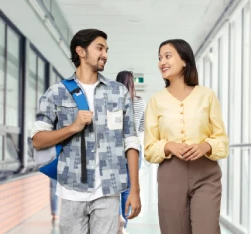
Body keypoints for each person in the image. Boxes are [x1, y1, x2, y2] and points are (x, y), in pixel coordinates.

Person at [31, 29, 141, 234]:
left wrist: (134, 189)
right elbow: (37, 140)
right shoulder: (57, 92)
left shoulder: (118, 92)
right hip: (71, 191)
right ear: (80, 51)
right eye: (100, 48)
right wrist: (73, 127)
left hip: (109, 191)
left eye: (107, 50)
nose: (105, 54)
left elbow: (131, 141)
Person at [144, 39, 229, 234]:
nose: (161, 62)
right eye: (159, 58)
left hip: (206, 174)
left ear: (184, 60)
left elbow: (222, 140)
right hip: (170, 176)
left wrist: (205, 146)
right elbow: (149, 149)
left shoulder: (207, 96)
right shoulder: (156, 100)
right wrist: (169, 146)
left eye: (167, 56)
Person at [116, 71, 146, 233]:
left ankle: (117, 217)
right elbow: (142, 127)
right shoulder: (140, 102)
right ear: (133, 84)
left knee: (114, 188)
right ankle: (124, 227)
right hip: (133, 148)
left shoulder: (112, 100)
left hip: (115, 148)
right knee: (128, 189)